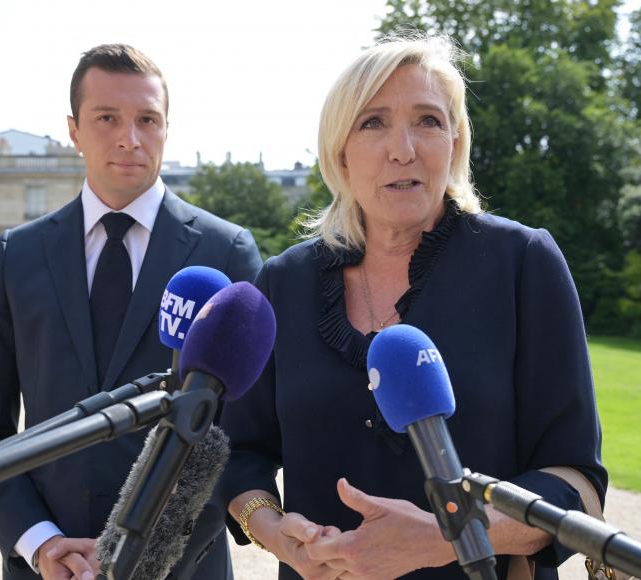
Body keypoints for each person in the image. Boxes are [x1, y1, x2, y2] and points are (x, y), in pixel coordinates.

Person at [220, 34, 607, 580]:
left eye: (428, 120)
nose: (403, 147)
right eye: (373, 122)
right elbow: (239, 453)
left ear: (454, 141)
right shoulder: (284, 283)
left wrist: (449, 536)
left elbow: (576, 482)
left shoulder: (523, 263)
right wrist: (276, 531)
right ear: (340, 153)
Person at [0, 44, 261, 580]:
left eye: (147, 119)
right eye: (106, 118)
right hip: (50, 566)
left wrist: (147, 554)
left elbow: (249, 432)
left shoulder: (228, 253)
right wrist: (41, 543)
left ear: (167, 128)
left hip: (184, 569)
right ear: (73, 130)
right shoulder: (14, 256)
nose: (129, 138)